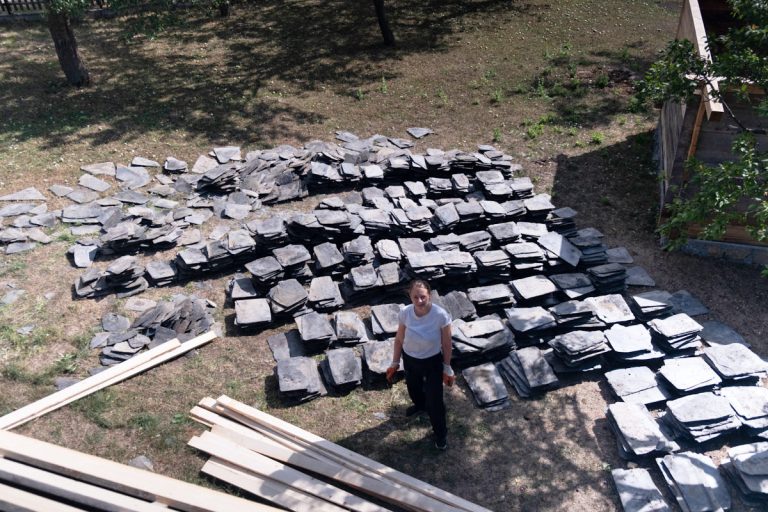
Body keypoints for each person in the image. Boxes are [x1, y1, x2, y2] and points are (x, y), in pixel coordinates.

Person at [386, 280, 455, 450]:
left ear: (429, 296)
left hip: (432, 362)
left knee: (435, 401)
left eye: (423, 297)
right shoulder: (405, 313)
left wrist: (447, 367)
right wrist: (395, 362)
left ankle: (441, 434)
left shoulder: (440, 315)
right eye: (415, 297)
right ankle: (420, 405)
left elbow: (447, 343)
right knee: (414, 389)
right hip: (410, 359)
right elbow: (399, 339)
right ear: (410, 296)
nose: (419, 301)